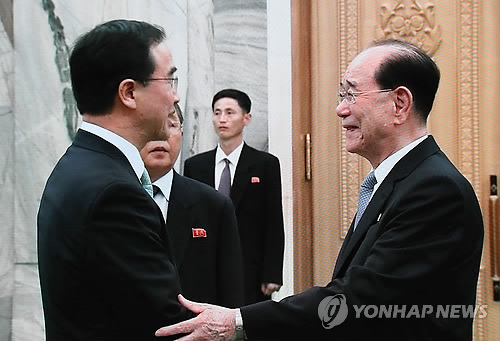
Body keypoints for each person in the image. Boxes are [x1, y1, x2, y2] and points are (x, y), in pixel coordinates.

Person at [155, 39, 484, 340]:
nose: (341, 110)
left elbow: (360, 299)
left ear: (399, 103)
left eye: (351, 94)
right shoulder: (399, 182)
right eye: (342, 96)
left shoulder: (435, 190)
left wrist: (237, 322)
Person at [37, 19, 192, 340]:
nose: (176, 97)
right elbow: (165, 327)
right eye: (170, 79)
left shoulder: (78, 164)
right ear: (129, 92)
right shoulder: (115, 194)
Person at [183, 89, 285, 305]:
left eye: (230, 113)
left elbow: (273, 221)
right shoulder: (195, 166)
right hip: (204, 267)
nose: (222, 119)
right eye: (217, 112)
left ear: (246, 118)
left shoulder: (265, 164)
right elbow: (188, 219)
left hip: (250, 268)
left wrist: (272, 273)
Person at [140, 104, 245, 308]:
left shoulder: (214, 206)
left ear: (181, 133)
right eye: (151, 125)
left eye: (171, 125)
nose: (162, 135)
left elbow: (231, 292)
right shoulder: (110, 199)